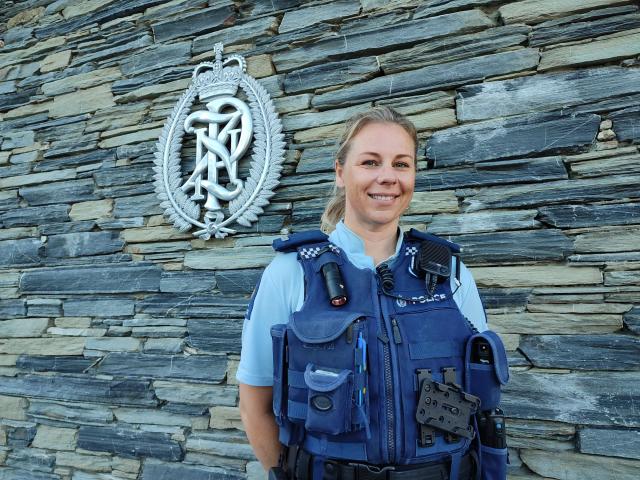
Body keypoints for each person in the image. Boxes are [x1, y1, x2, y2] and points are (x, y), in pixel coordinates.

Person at [237, 106, 509, 480]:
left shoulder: (449, 272)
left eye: (401, 164)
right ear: (340, 172)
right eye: (370, 162)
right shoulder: (290, 273)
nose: (387, 177)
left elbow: (479, 398)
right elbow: (255, 406)